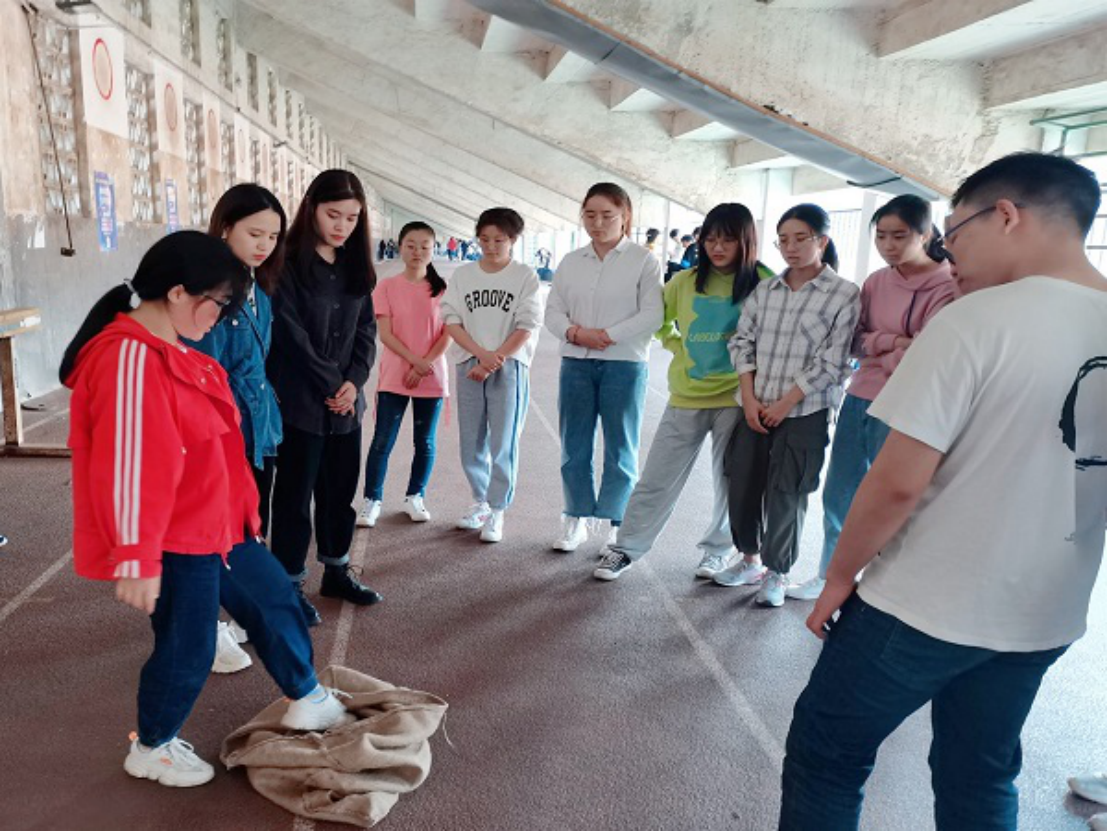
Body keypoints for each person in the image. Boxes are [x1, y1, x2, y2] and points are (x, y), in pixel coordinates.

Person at [781, 153, 1107, 831]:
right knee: (981, 772)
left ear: (1007, 215)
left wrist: (840, 574)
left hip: (923, 603)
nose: (947, 255)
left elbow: (899, 481)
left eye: (952, 235)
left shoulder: (973, 320)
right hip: (1045, 613)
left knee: (827, 755)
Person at [60, 232, 351, 789]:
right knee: (188, 647)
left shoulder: (177, 349)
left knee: (272, 599)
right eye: (219, 303)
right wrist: (138, 557)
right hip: (177, 537)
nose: (221, 317)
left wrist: (244, 513)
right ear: (176, 292)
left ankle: (307, 696)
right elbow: (130, 464)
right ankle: (152, 745)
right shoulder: (127, 357)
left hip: (220, 525)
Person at [787, 195, 956, 601]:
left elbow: (928, 353)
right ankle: (831, 576)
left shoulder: (946, 286)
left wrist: (890, 346)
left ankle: (882, 586)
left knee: (891, 500)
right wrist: (896, 341)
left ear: (927, 234)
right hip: (860, 396)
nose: (889, 245)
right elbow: (854, 341)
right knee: (839, 493)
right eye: (881, 236)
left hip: (905, 405)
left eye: (900, 236)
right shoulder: (877, 281)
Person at [591, 203, 771, 581]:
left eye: (727, 239)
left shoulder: (763, 282)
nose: (717, 247)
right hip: (687, 395)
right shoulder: (685, 282)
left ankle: (717, 552)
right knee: (657, 476)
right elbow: (658, 322)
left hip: (737, 400)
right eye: (710, 239)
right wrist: (677, 346)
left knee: (730, 482)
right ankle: (626, 548)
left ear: (746, 241)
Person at [713, 204, 859, 605]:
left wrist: (785, 402)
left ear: (822, 241)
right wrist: (748, 397)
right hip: (755, 406)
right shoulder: (766, 290)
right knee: (742, 483)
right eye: (783, 240)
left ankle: (777, 573)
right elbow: (741, 341)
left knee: (788, 492)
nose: (790, 248)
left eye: (800, 239)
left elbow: (834, 360)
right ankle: (749, 560)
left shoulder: (844, 294)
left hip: (804, 412)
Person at [268, 169, 382, 627]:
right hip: (300, 403)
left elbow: (366, 331)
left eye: (352, 218)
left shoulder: (357, 266)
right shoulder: (288, 263)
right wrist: (331, 384)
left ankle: (337, 570)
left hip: (345, 407)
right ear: (311, 206)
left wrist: (354, 382)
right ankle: (289, 584)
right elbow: (289, 334)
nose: (342, 226)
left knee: (339, 492)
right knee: (294, 497)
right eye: (333, 214)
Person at [187, 183, 288, 675]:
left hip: (255, 423)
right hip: (218, 429)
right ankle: (202, 627)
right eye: (254, 232)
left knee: (245, 526)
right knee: (210, 531)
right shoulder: (210, 293)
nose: (264, 243)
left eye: (273, 234)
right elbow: (201, 376)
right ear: (225, 227)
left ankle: (222, 613)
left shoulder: (254, 289)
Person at [544, 183, 663, 555]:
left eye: (607, 215)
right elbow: (553, 310)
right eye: (590, 215)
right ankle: (575, 517)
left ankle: (615, 521)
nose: (598, 223)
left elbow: (652, 314)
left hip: (624, 364)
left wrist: (606, 336)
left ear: (625, 217)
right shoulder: (570, 261)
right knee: (573, 444)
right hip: (576, 363)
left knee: (621, 446)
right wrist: (576, 333)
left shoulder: (644, 261)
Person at [440, 208, 544, 543]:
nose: (491, 245)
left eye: (499, 240)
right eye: (484, 239)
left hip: (509, 366)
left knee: (503, 441)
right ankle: (480, 501)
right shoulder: (464, 275)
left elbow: (527, 323)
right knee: (471, 441)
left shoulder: (524, 276)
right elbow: (451, 319)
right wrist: (479, 355)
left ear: (513, 240)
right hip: (469, 363)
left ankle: (498, 509)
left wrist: (494, 358)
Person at [356, 221, 451, 528]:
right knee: (382, 439)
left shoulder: (443, 289)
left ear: (434, 249)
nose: (418, 251)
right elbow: (385, 334)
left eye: (425, 245)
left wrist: (426, 363)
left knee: (424, 442)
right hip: (396, 375)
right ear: (400, 246)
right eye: (411, 245)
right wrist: (414, 361)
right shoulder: (387, 286)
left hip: (432, 376)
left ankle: (415, 496)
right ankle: (372, 500)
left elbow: (448, 333)